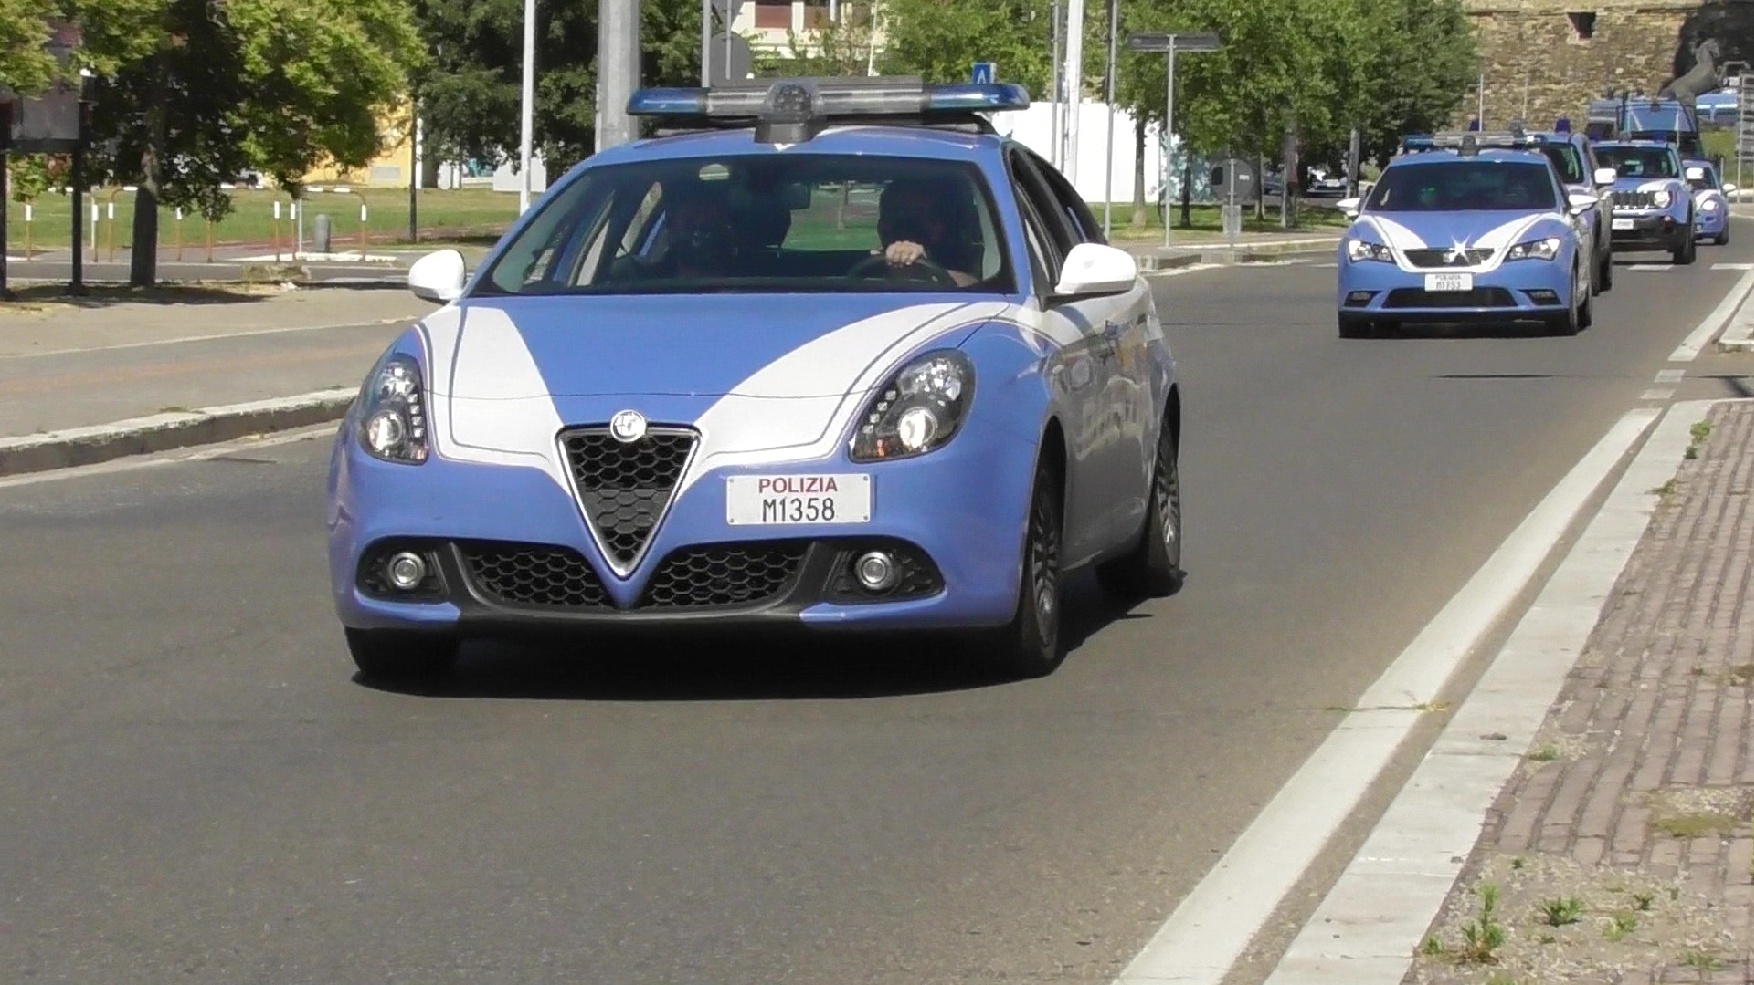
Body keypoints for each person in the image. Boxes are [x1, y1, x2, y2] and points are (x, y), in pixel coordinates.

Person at [872, 178, 980, 286]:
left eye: (918, 214)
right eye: (895, 213)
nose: (905, 222)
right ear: (881, 224)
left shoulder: (967, 261)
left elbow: (977, 287)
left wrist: (924, 269)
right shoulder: (867, 267)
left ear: (939, 224)